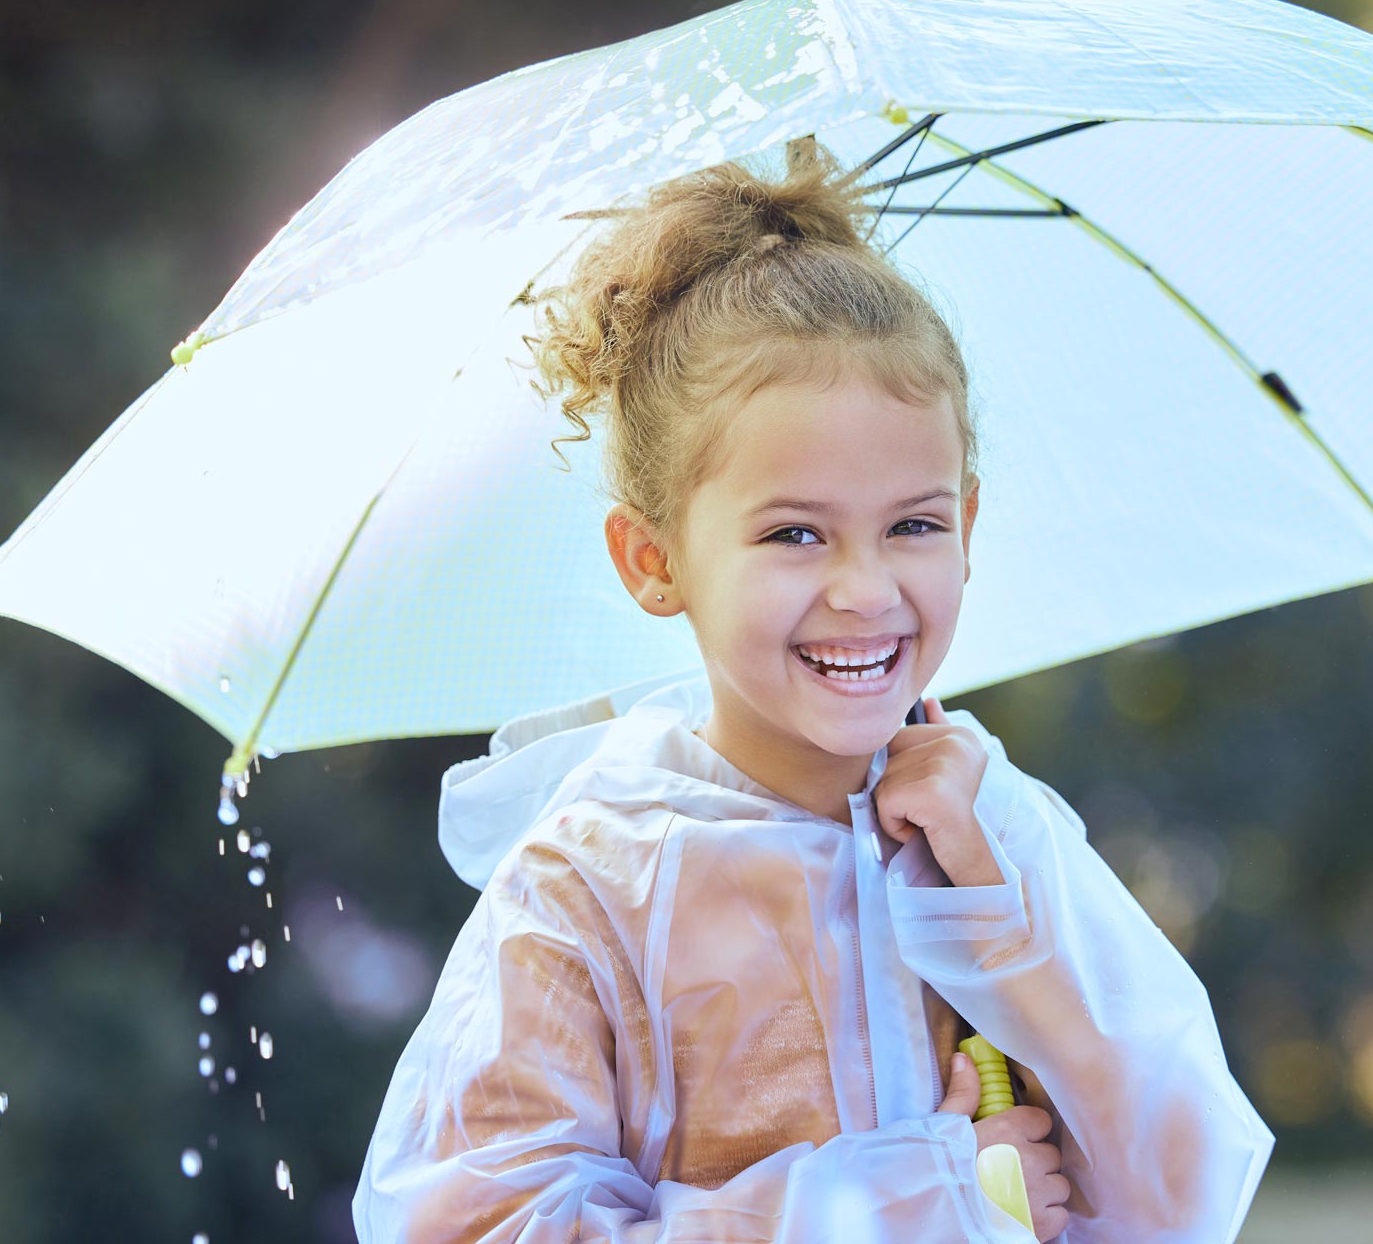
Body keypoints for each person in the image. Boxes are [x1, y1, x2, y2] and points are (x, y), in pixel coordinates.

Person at [353, 140, 1273, 1243]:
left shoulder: (991, 826)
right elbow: (478, 1225)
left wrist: (998, 924)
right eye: (795, 533)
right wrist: (918, 1199)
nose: (864, 589)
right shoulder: (585, 890)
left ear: (967, 529)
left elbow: (1180, 1199)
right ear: (652, 560)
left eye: (913, 526)